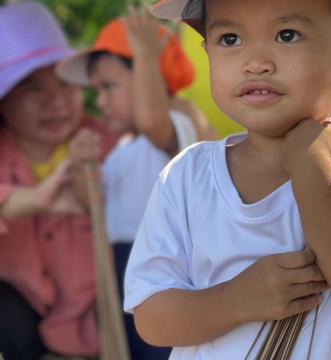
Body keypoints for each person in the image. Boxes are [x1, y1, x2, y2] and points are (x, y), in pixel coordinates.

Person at [125, 0, 331, 359]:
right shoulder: (186, 177)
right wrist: (235, 301)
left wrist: (311, 167)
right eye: (230, 39)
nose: (256, 63)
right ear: (207, 52)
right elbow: (152, 319)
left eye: (287, 35)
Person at [58, 8, 215, 360]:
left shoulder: (177, 122)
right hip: (124, 271)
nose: (99, 102)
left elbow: (152, 119)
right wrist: (84, 167)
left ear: (153, 75)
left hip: (170, 276)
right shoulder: (123, 148)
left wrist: (145, 53)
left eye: (108, 87)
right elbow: (93, 203)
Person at [0, 2, 117, 359]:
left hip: (104, 325)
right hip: (24, 324)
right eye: (33, 88)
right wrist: (34, 199)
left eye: (66, 82)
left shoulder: (107, 144)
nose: (57, 101)